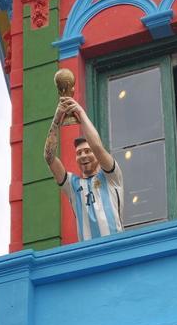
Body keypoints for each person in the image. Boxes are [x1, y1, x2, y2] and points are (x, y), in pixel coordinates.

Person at [44, 93, 124, 242]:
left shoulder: (111, 176)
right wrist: (56, 119)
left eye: (87, 151)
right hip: (88, 252)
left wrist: (80, 113)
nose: (83, 155)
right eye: (79, 153)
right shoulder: (72, 185)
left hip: (116, 247)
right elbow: (49, 157)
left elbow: (97, 147)